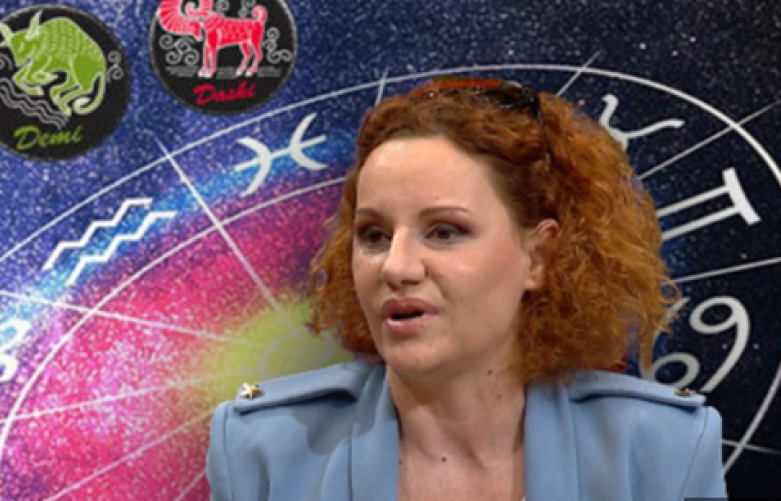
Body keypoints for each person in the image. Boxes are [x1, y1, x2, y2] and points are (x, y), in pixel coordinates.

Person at [206, 76, 727, 501]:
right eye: (374, 235)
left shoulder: (662, 451)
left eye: (444, 231)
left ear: (538, 258)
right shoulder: (262, 451)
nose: (396, 267)